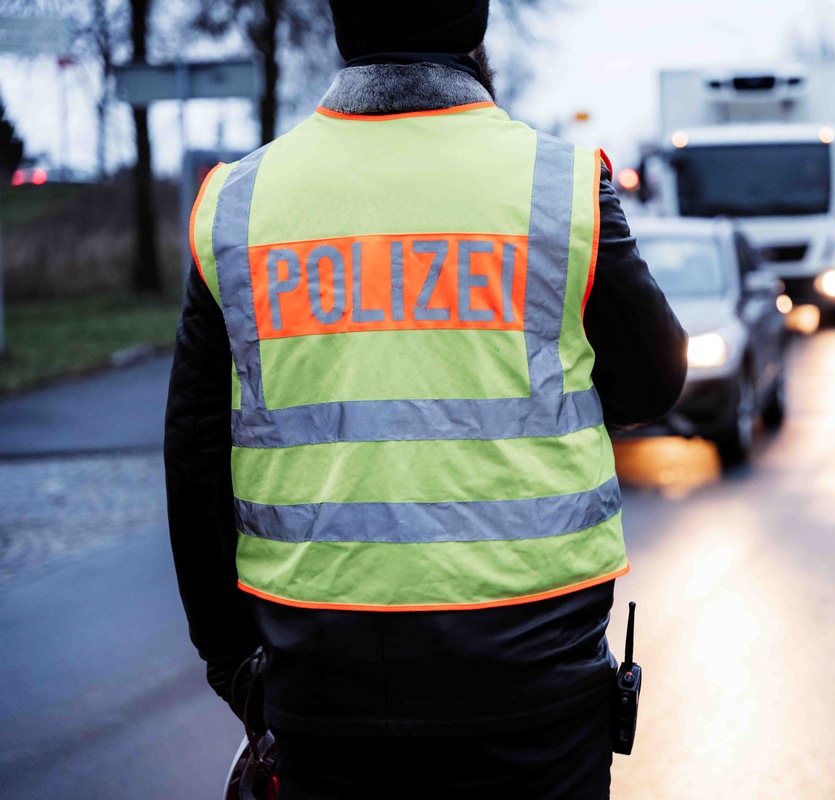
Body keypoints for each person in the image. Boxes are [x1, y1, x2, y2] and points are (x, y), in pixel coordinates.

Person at [163, 2, 687, 798]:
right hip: (535, 690)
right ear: (475, 38)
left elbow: (194, 453)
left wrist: (233, 664)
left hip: (321, 693)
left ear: (343, 30)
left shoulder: (239, 203)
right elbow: (652, 383)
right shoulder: (562, 187)